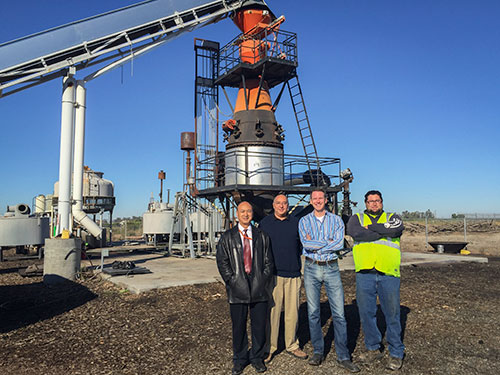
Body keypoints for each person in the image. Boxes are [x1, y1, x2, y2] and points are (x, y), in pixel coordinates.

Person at [298, 188, 360, 373]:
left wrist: (318, 243)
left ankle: (343, 355)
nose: (318, 201)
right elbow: (305, 243)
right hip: (311, 268)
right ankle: (318, 351)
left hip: (332, 268)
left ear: (326, 200)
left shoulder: (336, 220)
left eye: (320, 198)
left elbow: (339, 243)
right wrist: (327, 242)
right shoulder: (304, 221)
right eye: (314, 198)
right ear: (310, 201)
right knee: (313, 312)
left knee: (339, 313)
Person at [346, 190, 405, 371]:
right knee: (366, 313)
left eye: (377, 201)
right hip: (365, 273)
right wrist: (381, 230)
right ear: (365, 203)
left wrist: (371, 229)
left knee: (392, 313)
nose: (374, 204)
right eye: (370, 201)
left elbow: (396, 229)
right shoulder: (357, 218)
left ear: (382, 202)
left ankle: (396, 352)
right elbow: (355, 234)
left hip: (388, 272)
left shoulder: (393, 217)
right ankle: (373, 348)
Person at [216, 201, 274, 375]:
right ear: (237, 214)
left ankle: (256, 357)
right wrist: (232, 280)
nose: (246, 214)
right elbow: (222, 261)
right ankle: (240, 359)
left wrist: (262, 280)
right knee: (239, 326)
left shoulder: (262, 236)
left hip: (258, 288)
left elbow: (268, 262)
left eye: (249, 211)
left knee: (258, 326)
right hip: (237, 288)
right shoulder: (228, 237)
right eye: (243, 211)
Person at [259, 194, 308, 363]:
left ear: (288, 205)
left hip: (293, 273)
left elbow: (300, 247)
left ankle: (292, 345)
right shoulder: (265, 224)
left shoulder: (295, 223)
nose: (281, 206)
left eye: (284, 203)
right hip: (274, 275)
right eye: (278, 203)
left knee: (292, 313)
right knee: (272, 313)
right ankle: (270, 347)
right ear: (273, 205)